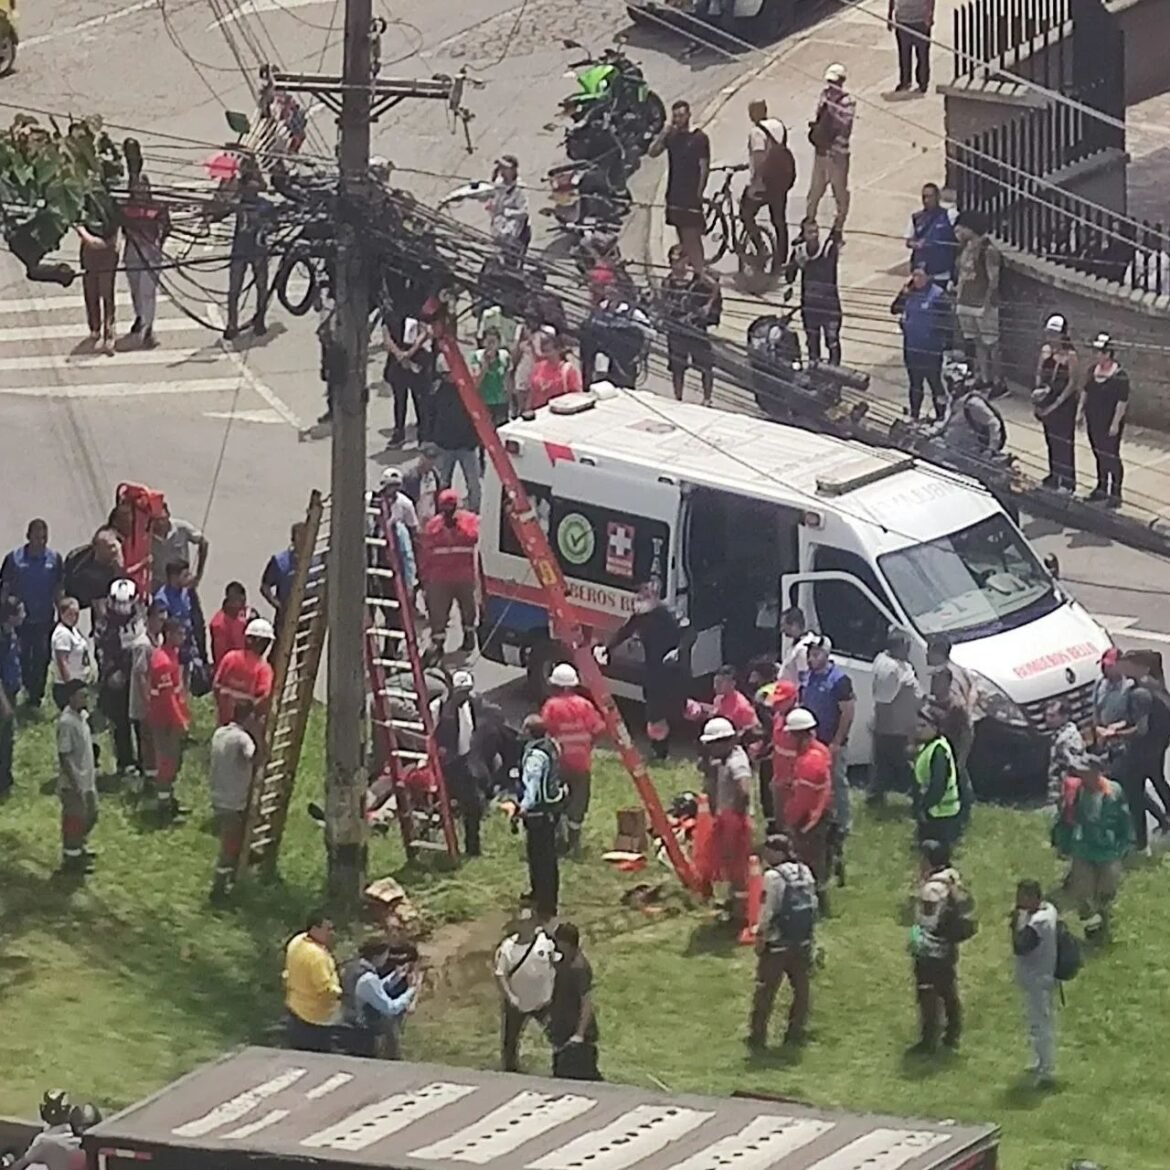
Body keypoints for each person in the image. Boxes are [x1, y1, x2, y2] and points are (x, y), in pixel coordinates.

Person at [602, 581, 688, 760]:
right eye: (638, 598)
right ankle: (659, 750)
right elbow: (625, 631)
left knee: (664, 710)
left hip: (671, 669)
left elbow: (689, 634)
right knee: (653, 711)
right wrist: (607, 648)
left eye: (643, 598)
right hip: (652, 669)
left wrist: (678, 651)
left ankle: (662, 750)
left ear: (654, 598)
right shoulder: (640, 617)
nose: (639, 603)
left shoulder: (669, 614)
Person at [747, 833, 817, 1049]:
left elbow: (768, 909)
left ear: (778, 853)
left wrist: (760, 935)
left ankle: (758, 1035)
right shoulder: (805, 871)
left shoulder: (773, 876)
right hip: (801, 940)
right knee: (801, 989)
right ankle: (796, 1031)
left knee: (765, 990)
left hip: (778, 942)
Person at [1052, 755, 1132, 937]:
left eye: (1084, 771)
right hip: (1083, 849)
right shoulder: (1076, 790)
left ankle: (1102, 922)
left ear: (1096, 772)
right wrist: (1063, 843)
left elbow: (1124, 819)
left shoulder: (1114, 791)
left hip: (1108, 851)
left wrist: (1124, 844)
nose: (1080, 774)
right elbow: (1066, 819)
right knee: (1083, 890)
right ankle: (1089, 926)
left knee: (1106, 891)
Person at [908, 838, 973, 1054]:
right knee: (948, 989)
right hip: (948, 946)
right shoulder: (952, 877)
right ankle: (953, 1032)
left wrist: (913, 938)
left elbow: (926, 923)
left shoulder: (931, 889)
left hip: (930, 949)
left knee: (927, 992)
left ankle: (929, 1039)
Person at [540, 663, 604, 857]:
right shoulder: (585, 705)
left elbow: (544, 731)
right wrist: (587, 745)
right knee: (578, 801)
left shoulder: (551, 706)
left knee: (555, 799)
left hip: (558, 763)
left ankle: (559, 839)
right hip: (581, 762)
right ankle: (574, 843)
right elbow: (599, 729)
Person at [1, 519, 63, 708]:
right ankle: (23, 689)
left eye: (44, 538)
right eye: (37, 537)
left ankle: (36, 697)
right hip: (20, 621)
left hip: (44, 620)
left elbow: (58, 588)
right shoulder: (14, 559)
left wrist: (62, 613)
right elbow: (5, 588)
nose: (41, 542)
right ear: (28, 536)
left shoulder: (54, 559)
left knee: (42, 658)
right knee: (21, 658)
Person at [772, 708, 833, 903]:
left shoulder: (809, 761)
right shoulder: (820, 751)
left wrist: (790, 819)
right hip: (820, 813)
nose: (789, 740)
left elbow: (802, 799)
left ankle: (811, 899)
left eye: (791, 735)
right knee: (820, 856)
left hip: (808, 818)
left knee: (809, 859)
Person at [699, 716, 754, 925]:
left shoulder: (736, 762)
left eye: (713, 744)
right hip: (728, 817)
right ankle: (734, 902)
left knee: (737, 866)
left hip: (735, 821)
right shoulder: (725, 757)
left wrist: (737, 816)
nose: (711, 749)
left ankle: (741, 912)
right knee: (727, 864)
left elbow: (744, 790)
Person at [800, 636, 855, 835]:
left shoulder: (840, 680)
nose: (811, 659)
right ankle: (817, 816)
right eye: (809, 654)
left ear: (826, 654)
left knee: (836, 781)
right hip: (811, 741)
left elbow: (848, 712)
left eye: (816, 654)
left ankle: (843, 822)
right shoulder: (806, 677)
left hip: (831, 741)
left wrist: (837, 741)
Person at [208, 700, 261, 902]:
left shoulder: (219, 733)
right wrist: (258, 738)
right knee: (229, 845)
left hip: (218, 795)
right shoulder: (242, 739)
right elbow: (254, 757)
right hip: (234, 800)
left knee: (232, 839)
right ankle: (219, 888)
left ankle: (236, 871)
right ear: (248, 718)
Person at [649, 100, 710, 274]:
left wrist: (699, 193)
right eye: (675, 116)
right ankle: (689, 270)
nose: (678, 119)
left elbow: (704, 167)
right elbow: (652, 152)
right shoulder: (672, 137)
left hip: (690, 195)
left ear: (688, 115)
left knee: (692, 238)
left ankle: (700, 272)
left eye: (681, 115)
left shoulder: (699, 138)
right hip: (674, 194)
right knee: (682, 236)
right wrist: (664, 132)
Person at [495, 907, 557, 1071]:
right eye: (521, 922)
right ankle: (510, 1070)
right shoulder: (508, 947)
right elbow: (500, 974)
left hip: (543, 1002)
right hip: (517, 1002)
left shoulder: (546, 941)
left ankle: (561, 1066)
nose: (524, 925)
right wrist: (510, 996)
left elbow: (556, 962)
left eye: (527, 921)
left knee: (555, 1035)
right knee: (510, 1041)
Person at [515, 716, 565, 918]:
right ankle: (539, 894)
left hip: (538, 813)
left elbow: (533, 785)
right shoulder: (551, 746)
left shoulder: (535, 756)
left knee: (542, 859)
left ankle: (547, 904)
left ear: (529, 732)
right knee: (541, 856)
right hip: (552, 810)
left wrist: (523, 808)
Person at [120, 144, 170, 348]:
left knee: (147, 291)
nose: (140, 190)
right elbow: (122, 227)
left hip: (151, 252)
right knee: (135, 289)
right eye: (136, 188)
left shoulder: (158, 207)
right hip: (132, 252)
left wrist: (156, 242)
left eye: (143, 187)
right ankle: (140, 317)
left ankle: (148, 329)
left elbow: (166, 227)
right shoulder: (125, 207)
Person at [338, 932, 417, 1058]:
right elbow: (390, 1008)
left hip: (347, 1024)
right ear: (377, 956)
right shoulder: (368, 979)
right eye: (385, 954)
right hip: (363, 1033)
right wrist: (411, 990)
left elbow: (371, 991)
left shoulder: (353, 968)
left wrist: (395, 977)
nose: (386, 958)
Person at [1011, 878, 1059, 1087]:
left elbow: (1021, 946)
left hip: (1039, 979)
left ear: (1033, 897)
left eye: (1022, 897)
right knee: (1036, 1024)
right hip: (1038, 977)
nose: (1018, 901)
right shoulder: (1050, 909)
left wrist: (1016, 924)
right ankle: (1038, 1061)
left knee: (1041, 1026)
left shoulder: (1039, 922)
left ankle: (1046, 1070)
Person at [420, 489, 479, 659]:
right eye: (445, 507)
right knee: (438, 614)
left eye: (451, 506)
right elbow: (425, 553)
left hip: (463, 577)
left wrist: (456, 527)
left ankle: (469, 636)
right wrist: (424, 579)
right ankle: (438, 644)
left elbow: (473, 537)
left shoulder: (468, 521)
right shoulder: (433, 526)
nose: (448, 510)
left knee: (468, 609)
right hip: (439, 578)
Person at [431, 670, 485, 856]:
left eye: (468, 690)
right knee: (441, 807)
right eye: (462, 691)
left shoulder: (466, 706)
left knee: (473, 806)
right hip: (443, 765)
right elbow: (428, 733)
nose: (466, 694)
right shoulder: (437, 707)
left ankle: (472, 847)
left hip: (461, 761)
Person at [659, 244, 718, 405]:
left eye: (677, 260)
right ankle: (678, 398)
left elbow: (714, 287)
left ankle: (707, 398)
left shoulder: (697, 277)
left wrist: (707, 306)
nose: (674, 264)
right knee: (677, 367)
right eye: (671, 261)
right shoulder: (667, 281)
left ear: (686, 260)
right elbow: (663, 302)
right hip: (676, 330)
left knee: (706, 365)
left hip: (696, 328)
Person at [742, 98, 796, 273]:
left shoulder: (756, 133)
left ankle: (760, 247)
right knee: (779, 220)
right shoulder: (778, 125)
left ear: (754, 113)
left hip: (765, 184)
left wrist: (755, 184)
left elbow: (759, 159)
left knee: (746, 213)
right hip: (781, 181)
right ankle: (781, 259)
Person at [953, 210, 1003, 393]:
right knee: (977, 342)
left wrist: (986, 305)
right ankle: (984, 377)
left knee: (992, 343)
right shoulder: (964, 249)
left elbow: (993, 280)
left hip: (982, 304)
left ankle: (998, 381)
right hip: (966, 300)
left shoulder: (988, 250)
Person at [870, 627, 921, 803]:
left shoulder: (898, 663)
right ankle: (917, 798)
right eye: (907, 645)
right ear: (900, 646)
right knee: (903, 766)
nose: (909, 650)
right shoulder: (889, 668)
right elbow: (884, 698)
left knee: (885, 766)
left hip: (901, 726)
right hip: (894, 729)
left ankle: (877, 797)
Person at [223, 155, 271, 340]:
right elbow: (220, 208)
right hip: (240, 249)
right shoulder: (238, 204)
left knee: (261, 286)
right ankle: (232, 324)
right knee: (235, 289)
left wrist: (265, 225)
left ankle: (259, 319)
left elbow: (273, 223)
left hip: (257, 249)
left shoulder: (264, 206)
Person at [892, 265, 949, 421]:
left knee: (935, 383)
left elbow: (948, 319)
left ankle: (941, 416)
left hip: (931, 349)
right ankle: (914, 415)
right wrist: (903, 294)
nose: (916, 279)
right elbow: (894, 309)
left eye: (920, 276)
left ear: (928, 277)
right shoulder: (910, 293)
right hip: (911, 348)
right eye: (914, 275)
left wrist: (940, 337)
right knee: (915, 384)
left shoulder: (938, 295)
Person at [805, 64, 855, 237]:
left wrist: (832, 110)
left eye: (835, 82)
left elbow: (844, 125)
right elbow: (819, 117)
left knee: (839, 193)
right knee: (814, 192)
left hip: (838, 155)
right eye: (830, 82)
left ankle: (838, 226)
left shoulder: (847, 102)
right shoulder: (824, 96)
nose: (831, 86)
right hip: (822, 152)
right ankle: (809, 224)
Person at [784, 219, 843, 366]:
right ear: (803, 235)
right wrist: (794, 263)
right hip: (810, 307)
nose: (814, 235)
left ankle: (835, 372)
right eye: (810, 232)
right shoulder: (800, 251)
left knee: (832, 342)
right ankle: (814, 370)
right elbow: (789, 278)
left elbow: (828, 271)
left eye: (816, 231)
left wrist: (806, 264)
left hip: (830, 306)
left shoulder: (828, 249)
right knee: (812, 344)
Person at [147, 617, 189, 820]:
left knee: (174, 760)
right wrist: (180, 721)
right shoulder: (162, 661)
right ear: (169, 634)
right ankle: (164, 806)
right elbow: (167, 698)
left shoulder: (172, 654)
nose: (183, 637)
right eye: (179, 633)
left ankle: (169, 798)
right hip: (165, 720)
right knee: (167, 761)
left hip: (171, 717)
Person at [431, 353, 483, 514]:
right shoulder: (437, 389)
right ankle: (442, 512)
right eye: (445, 373)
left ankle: (474, 511)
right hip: (444, 445)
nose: (449, 376)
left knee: (473, 483)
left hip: (467, 445)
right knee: (442, 482)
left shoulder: (466, 387)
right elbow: (430, 414)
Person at [56, 679, 98, 875]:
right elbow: (64, 755)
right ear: (71, 697)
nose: (86, 699)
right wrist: (75, 783)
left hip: (87, 779)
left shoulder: (82, 717)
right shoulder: (66, 722)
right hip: (73, 783)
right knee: (74, 820)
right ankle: (71, 858)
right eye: (82, 696)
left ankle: (79, 847)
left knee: (91, 814)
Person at [1082, 332, 1129, 508]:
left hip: (1109, 422)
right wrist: (1080, 412)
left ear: (1108, 353)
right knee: (1099, 454)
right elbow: (1086, 391)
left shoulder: (1119, 375)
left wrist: (1115, 423)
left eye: (1099, 352)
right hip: (1094, 420)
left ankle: (1115, 493)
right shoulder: (1092, 371)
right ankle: (1101, 487)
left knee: (1111, 456)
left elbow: (1122, 401)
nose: (1097, 355)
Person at [548, 922, 601, 1080]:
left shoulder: (579, 967)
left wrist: (579, 1034)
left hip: (574, 1030)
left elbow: (586, 1002)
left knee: (581, 1074)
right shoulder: (563, 960)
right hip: (562, 1026)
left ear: (567, 943)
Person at [283, 911, 342, 1052]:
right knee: (317, 1057)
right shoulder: (317, 956)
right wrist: (341, 992)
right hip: (315, 1018)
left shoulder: (297, 941)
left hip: (295, 1008)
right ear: (315, 929)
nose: (331, 933)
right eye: (328, 929)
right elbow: (325, 989)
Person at [1034, 313, 1079, 492]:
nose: (1051, 337)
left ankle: (1068, 481)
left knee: (1064, 443)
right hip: (1047, 398)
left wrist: (1057, 403)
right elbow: (1039, 373)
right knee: (1051, 440)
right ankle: (1054, 474)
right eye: (1049, 333)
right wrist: (1038, 396)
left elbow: (1072, 382)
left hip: (1064, 404)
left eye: (1055, 334)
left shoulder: (1070, 355)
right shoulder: (1045, 351)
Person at [382, 309, 433, 448]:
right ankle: (399, 432)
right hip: (397, 362)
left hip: (416, 359)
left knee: (419, 399)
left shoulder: (416, 309)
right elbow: (386, 337)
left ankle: (423, 435)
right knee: (399, 400)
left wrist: (410, 352)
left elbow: (424, 332)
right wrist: (400, 355)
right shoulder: (389, 312)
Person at [913, 705, 963, 846]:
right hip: (935, 810)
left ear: (936, 728)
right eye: (917, 725)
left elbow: (938, 785)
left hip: (941, 813)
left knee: (934, 851)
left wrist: (925, 807)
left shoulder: (939, 750)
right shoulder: (928, 746)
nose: (918, 730)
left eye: (923, 726)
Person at [212, 617, 275, 727]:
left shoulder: (230, 657)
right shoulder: (263, 669)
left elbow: (216, 686)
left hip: (224, 720)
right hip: (246, 725)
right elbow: (263, 699)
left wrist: (225, 703)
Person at [76, 214, 119, 355]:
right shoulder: (85, 203)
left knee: (107, 293)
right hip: (89, 249)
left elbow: (118, 223)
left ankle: (109, 333)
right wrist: (89, 239)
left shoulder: (111, 203)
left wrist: (111, 242)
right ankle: (94, 328)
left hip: (108, 249)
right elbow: (77, 222)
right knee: (91, 291)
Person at [905, 183, 956, 285]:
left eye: (930, 197)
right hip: (921, 274)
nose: (926, 200)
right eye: (924, 197)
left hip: (942, 273)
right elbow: (909, 241)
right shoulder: (916, 218)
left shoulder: (949, 215)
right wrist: (916, 244)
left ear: (937, 197)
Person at [149, 507, 209, 594]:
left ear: (168, 514)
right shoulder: (147, 535)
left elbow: (203, 542)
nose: (159, 523)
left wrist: (198, 575)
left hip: (182, 584)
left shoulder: (181, 528)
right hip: (158, 585)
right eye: (156, 520)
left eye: (162, 519)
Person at [262, 526, 304, 639]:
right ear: (292, 540)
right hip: (286, 612)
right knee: (281, 645)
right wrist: (278, 605)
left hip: (307, 611)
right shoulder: (279, 561)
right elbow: (265, 586)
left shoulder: (316, 559)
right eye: (299, 539)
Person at [525, 330, 583, 413]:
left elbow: (576, 396)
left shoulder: (567, 370)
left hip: (558, 413)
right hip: (538, 412)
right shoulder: (538, 367)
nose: (546, 355)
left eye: (549, 351)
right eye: (544, 351)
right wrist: (527, 409)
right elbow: (531, 392)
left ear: (558, 350)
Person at [50, 597, 91, 711]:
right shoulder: (62, 634)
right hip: (67, 686)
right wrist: (71, 688)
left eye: (77, 614)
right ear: (61, 614)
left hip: (79, 682)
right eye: (70, 614)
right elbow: (62, 661)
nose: (74, 617)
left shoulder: (73, 630)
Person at [1045, 697, 1087, 806]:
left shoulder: (1069, 738)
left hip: (1069, 791)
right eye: (1047, 715)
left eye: (1052, 716)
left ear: (1065, 717)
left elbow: (1076, 766)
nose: (1048, 719)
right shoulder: (1057, 735)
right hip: (1057, 790)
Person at [889, 0, 935, 92]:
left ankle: (923, 82)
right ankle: (905, 81)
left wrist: (929, 15)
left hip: (920, 21)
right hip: (902, 20)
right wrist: (890, 15)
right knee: (904, 55)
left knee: (922, 55)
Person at [472, 326, 512, 431]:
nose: (491, 345)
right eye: (488, 342)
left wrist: (509, 400)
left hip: (501, 402)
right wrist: (484, 367)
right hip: (484, 402)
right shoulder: (477, 357)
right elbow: (475, 383)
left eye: (494, 342)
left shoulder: (504, 356)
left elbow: (507, 379)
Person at [208, 582, 254, 668]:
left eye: (244, 601)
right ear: (230, 600)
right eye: (239, 601)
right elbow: (221, 656)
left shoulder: (244, 614)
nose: (243, 606)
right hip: (230, 668)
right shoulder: (219, 624)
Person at [0, 597, 19, 797]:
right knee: (3, 738)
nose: (24, 615)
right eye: (20, 612)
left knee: (9, 737)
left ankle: (6, 776)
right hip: (3, 694)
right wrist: (4, 703)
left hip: (11, 690)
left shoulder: (10, 633)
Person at [399, 444, 443, 528]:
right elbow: (405, 501)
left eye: (433, 458)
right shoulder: (411, 477)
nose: (430, 461)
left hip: (431, 520)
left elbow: (436, 496)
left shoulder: (434, 474)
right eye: (427, 457)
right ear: (421, 456)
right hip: (416, 520)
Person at [778, 606, 817, 684]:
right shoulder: (796, 644)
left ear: (794, 625)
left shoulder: (803, 649)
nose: (781, 630)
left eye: (783, 625)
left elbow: (804, 680)